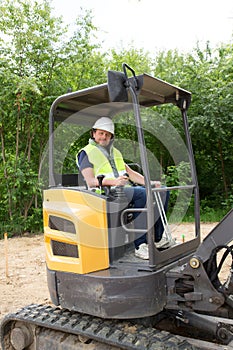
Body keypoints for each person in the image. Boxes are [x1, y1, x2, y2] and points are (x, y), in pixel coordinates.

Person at [76, 117, 169, 260]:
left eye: (107, 135)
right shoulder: (86, 152)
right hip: (104, 193)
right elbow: (91, 180)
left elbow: (131, 174)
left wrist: (150, 183)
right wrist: (114, 181)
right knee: (143, 195)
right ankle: (140, 245)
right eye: (101, 133)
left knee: (162, 191)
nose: (104, 137)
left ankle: (157, 238)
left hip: (122, 190)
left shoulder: (115, 153)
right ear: (93, 133)